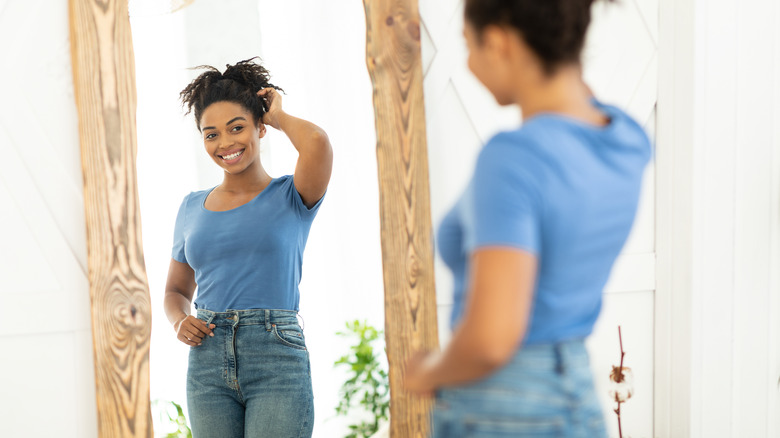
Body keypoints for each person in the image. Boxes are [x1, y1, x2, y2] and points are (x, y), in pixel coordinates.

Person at [403, 0, 651, 436]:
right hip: (572, 387)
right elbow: (577, 93)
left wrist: (428, 372)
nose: (469, 63)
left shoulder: (514, 159)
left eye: (468, 45)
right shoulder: (626, 140)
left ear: (498, 42)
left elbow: (491, 340)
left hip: (503, 406)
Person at [164, 58, 332, 438]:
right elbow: (175, 291)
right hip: (207, 360)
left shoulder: (292, 194)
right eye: (211, 134)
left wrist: (278, 116)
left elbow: (317, 142)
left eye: (237, 127)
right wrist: (179, 320)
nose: (225, 143)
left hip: (275, 356)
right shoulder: (191, 206)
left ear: (259, 127)